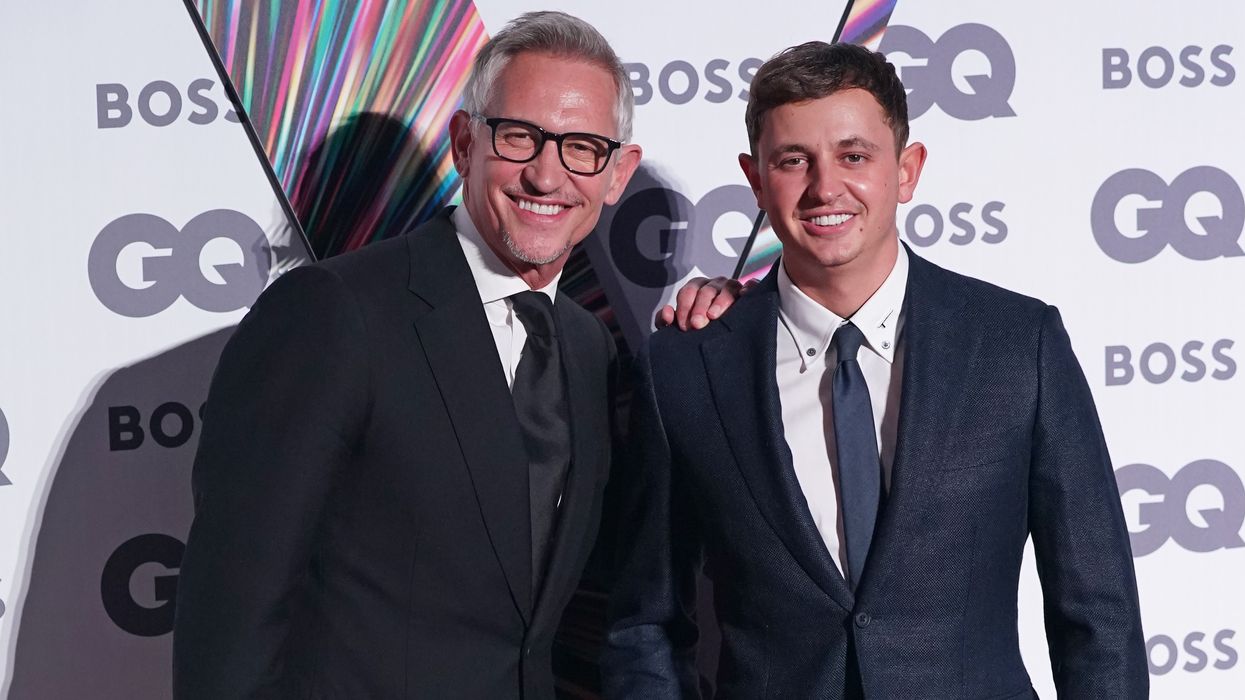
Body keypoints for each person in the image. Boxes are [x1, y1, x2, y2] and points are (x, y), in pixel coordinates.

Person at [173, 11, 739, 698]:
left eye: (581, 147)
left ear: (616, 173)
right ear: (464, 143)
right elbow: (233, 615)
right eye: (519, 137)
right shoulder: (331, 314)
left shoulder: (588, 347)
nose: (545, 174)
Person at [603, 41, 1147, 699]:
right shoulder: (688, 366)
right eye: (792, 160)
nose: (825, 187)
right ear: (753, 178)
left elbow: (1097, 614)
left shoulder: (1015, 345)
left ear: (906, 169)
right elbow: (645, 626)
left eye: (853, 156)